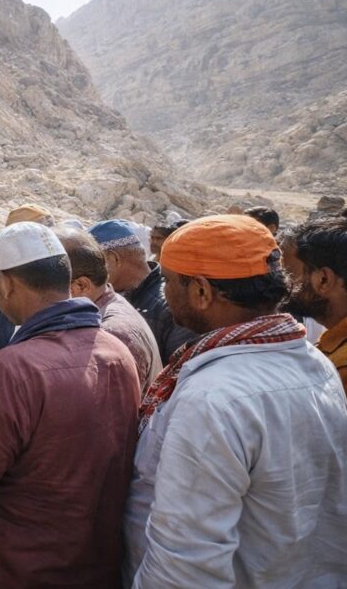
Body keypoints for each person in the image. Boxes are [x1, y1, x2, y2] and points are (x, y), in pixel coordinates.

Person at [124, 215, 347, 587]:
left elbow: (186, 565)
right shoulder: (314, 363)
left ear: (201, 291)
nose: (163, 295)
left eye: (166, 281)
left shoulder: (214, 398)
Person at [0, 222, 140, 588]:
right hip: (91, 569)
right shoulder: (116, 353)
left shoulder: (12, 370)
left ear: (7, 284)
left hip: (8, 571)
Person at [57, 227, 162, 392]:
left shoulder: (110, 335)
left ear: (81, 285)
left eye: (48, 284)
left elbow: (107, 412)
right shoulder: (102, 308)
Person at [89, 219, 196, 362]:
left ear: (113, 259)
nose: (87, 274)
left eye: (90, 264)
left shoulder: (172, 304)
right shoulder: (107, 297)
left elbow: (179, 371)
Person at [281, 216, 347, 391]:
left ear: (323, 280)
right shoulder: (333, 343)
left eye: (288, 275)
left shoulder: (342, 367)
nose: (280, 285)